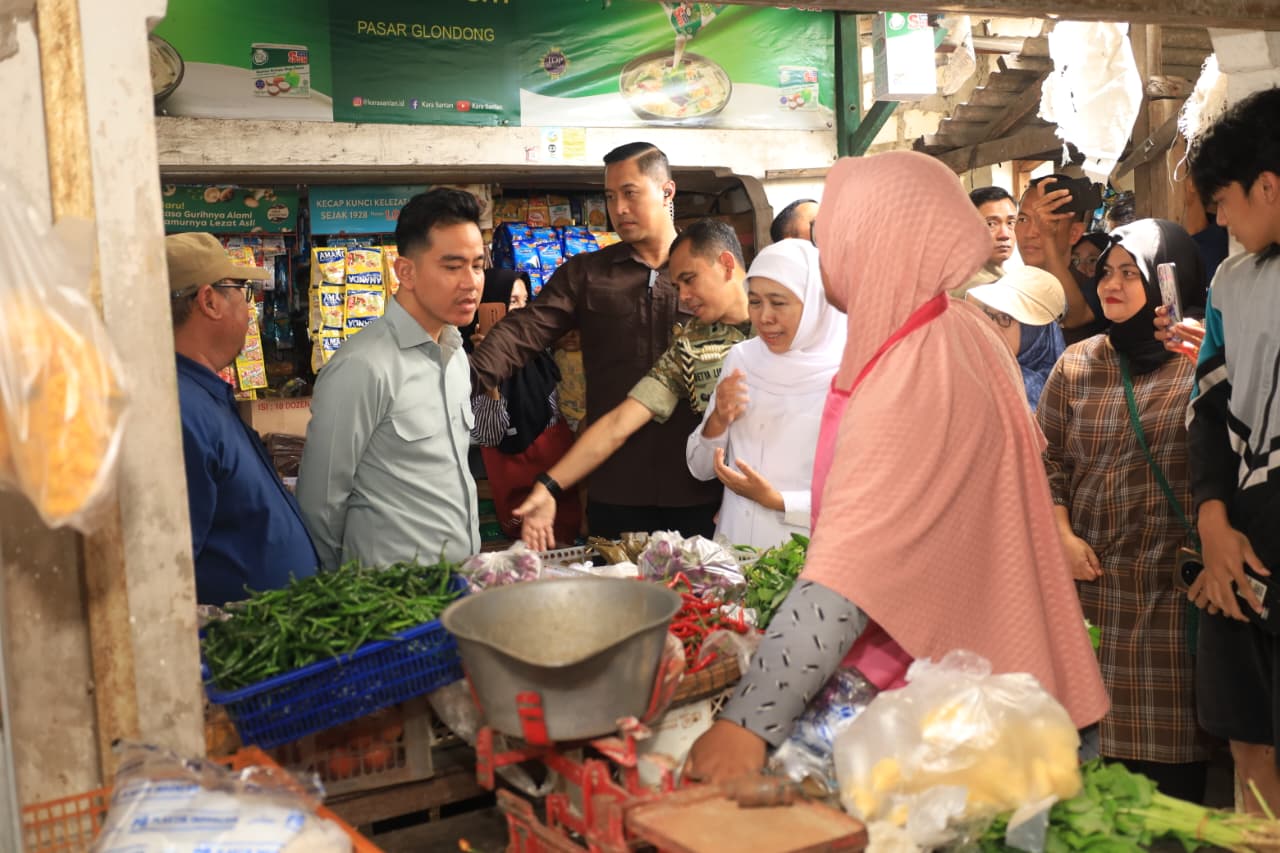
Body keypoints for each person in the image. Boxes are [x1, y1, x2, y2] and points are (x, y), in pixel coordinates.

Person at [683, 151, 1108, 783]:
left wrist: (748, 722)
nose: (826, 255)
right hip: (1007, 686)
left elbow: (850, 571)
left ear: (872, 243)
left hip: (974, 717)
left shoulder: (912, 368)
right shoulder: (957, 330)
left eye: (832, 237)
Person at [1038, 219, 1212, 802]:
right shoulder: (1078, 364)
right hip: (1091, 595)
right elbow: (1047, 460)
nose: (1110, 285)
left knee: (1168, 791)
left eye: (1129, 274)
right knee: (1087, 776)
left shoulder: (1199, 361)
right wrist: (1061, 535)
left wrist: (1217, 362)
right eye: (1104, 271)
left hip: (1172, 599)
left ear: (1167, 281)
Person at [470, 143, 722, 539]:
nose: (618, 208)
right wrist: (469, 376)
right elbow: (525, 329)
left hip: (701, 487)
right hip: (615, 486)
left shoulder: (708, 271)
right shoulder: (588, 274)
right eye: (610, 196)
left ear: (667, 192)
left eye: (630, 193)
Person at [515, 219, 752, 549]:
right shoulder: (691, 347)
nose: (684, 297)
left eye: (689, 279)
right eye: (677, 286)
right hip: (735, 515)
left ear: (726, 264)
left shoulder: (791, 323)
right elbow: (619, 422)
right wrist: (549, 485)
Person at [297, 188, 484, 569]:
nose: (471, 282)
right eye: (453, 267)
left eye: (478, 265)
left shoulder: (456, 356)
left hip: (459, 584)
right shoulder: (363, 366)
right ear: (406, 272)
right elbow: (320, 503)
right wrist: (339, 588)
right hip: (388, 594)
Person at [1184, 86, 1280, 816]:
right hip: (1242, 545)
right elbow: (1208, 409)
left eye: (1222, 201)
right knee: (1250, 746)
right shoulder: (1231, 283)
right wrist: (1213, 522)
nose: (1218, 220)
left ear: (1267, 187)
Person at [167, 232, 317, 605]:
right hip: (234, 636)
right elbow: (169, 566)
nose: (248, 309)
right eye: (241, 290)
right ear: (209, 301)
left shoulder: (200, 394)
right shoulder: (178, 410)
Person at [686, 239, 845, 549]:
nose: (764, 317)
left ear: (814, 302)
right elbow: (700, 468)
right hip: (733, 549)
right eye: (755, 302)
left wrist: (777, 500)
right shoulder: (742, 359)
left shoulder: (846, 374)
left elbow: (861, 492)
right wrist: (717, 421)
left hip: (802, 553)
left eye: (779, 302)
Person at [470, 269, 582, 546]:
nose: (521, 311)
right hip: (517, 488)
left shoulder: (540, 355)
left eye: (525, 301)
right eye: (511, 302)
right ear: (489, 305)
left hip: (559, 481)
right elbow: (489, 434)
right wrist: (491, 374)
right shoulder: (471, 366)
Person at [1017, 174, 1109, 344]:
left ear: (1074, 233)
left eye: (1046, 222)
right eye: (1022, 219)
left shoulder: (1096, 288)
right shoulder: (1012, 289)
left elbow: (1072, 317)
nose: (1030, 233)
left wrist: (1048, 238)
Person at [966, 265, 1066, 410]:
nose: (991, 326)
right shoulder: (972, 371)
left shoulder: (1067, 389)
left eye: (1005, 318)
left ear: (1034, 332)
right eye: (988, 314)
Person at [952, 186, 1017, 296]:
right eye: (991, 224)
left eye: (1010, 223)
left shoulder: (1001, 278)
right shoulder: (981, 288)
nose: (1004, 235)